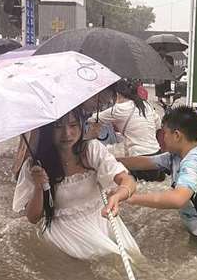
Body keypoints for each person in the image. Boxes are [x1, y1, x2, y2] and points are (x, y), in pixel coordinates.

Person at [104, 106, 197, 250]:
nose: (161, 138)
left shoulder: (193, 163)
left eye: (164, 133)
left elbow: (178, 199)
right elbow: (143, 162)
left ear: (177, 135)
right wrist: (104, 160)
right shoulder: (176, 156)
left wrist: (130, 198)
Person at [13, 106, 141, 260]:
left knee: (133, 259)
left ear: (81, 125)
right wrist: (40, 187)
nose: (67, 133)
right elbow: (33, 218)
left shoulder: (91, 150)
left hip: (104, 222)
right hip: (66, 234)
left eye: (73, 125)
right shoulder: (35, 166)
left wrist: (118, 196)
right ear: (47, 131)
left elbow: (128, 181)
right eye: (58, 127)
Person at [88, 79, 165, 182]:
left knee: (110, 166)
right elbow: (158, 124)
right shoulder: (145, 105)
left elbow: (92, 119)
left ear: (117, 94)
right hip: (156, 157)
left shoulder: (119, 109)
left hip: (138, 160)